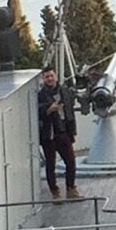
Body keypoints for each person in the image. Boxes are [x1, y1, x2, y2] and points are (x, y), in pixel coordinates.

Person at [35, 66, 78, 200]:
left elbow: (70, 111)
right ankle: (55, 192)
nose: (50, 79)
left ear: (56, 76)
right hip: (49, 135)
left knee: (71, 162)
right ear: (43, 79)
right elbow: (38, 113)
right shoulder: (40, 95)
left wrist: (72, 132)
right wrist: (49, 110)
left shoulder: (64, 91)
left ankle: (71, 188)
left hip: (63, 132)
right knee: (50, 165)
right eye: (47, 77)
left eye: (51, 76)